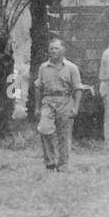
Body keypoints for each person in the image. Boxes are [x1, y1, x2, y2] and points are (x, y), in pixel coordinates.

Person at [34, 38, 83, 172]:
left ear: (63, 50)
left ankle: (62, 165)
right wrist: (37, 108)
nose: (53, 51)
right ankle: (50, 162)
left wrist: (75, 107)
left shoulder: (72, 68)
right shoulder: (43, 67)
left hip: (65, 101)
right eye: (51, 48)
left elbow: (78, 89)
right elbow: (38, 87)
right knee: (44, 129)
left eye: (56, 48)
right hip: (48, 101)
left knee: (64, 135)